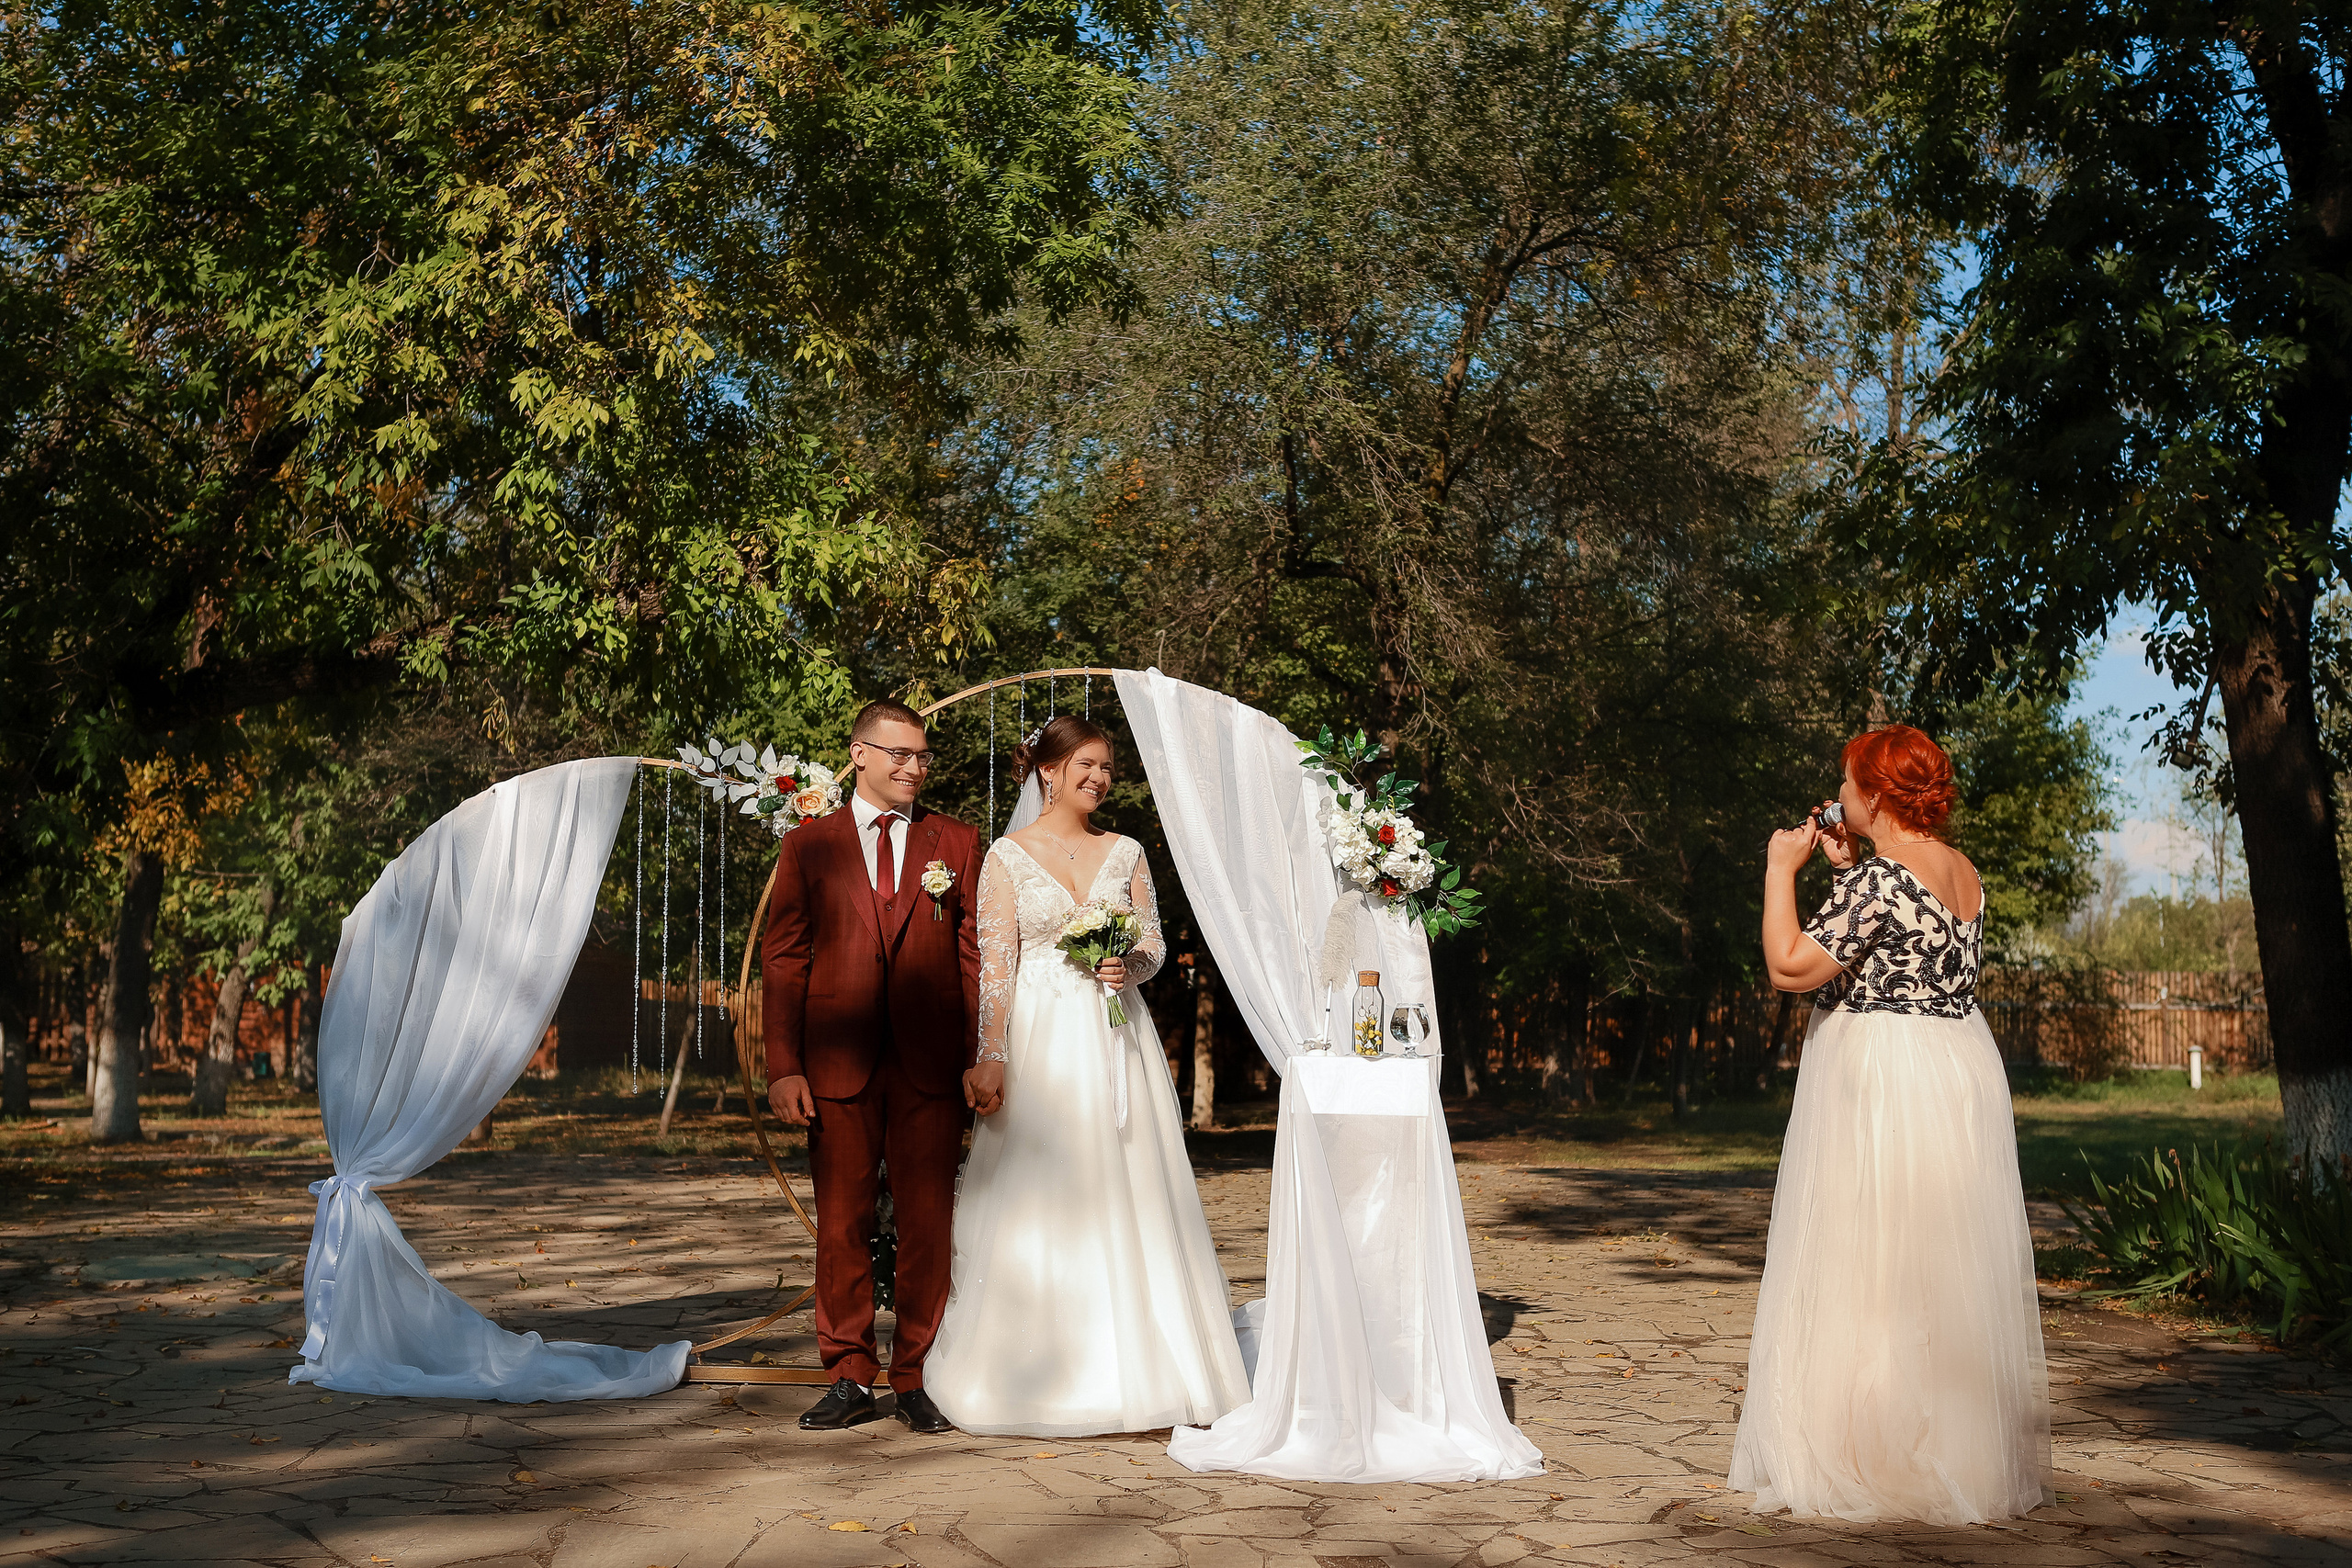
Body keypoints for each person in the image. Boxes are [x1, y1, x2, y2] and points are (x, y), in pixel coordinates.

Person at [1731, 724, 2050, 1523]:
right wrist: (1849, 871)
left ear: (1874, 796)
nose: (1837, 797)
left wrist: (1781, 870)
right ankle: (1944, 1444)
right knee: (1931, 1264)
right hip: (1953, 1069)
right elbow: (1911, 945)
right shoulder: (1962, 870)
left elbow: (1789, 966)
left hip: (1882, 1075)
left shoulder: (1879, 883)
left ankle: (1866, 1450)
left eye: (1845, 785)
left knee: (1867, 1256)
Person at [926, 716, 1250, 1436]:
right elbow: (998, 968)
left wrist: (1126, 963)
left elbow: (1157, 943)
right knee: (1037, 1193)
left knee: (1129, 1183)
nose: (1100, 778)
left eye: (1108, 767)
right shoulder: (1007, 856)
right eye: (1088, 764)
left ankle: (1148, 1365)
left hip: (1114, 1035)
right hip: (1040, 1040)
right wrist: (992, 1053)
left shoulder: (1126, 850)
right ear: (1049, 769)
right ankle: (1038, 1362)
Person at [762, 699, 986, 1435]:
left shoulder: (955, 841)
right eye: (899, 754)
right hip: (834, 1065)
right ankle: (849, 1373)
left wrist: (981, 1055)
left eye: (922, 756)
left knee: (928, 1225)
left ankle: (916, 1374)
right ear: (859, 754)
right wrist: (784, 1065)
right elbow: (785, 958)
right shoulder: (810, 845)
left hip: (931, 1069)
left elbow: (972, 955)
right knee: (841, 1225)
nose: (913, 768)